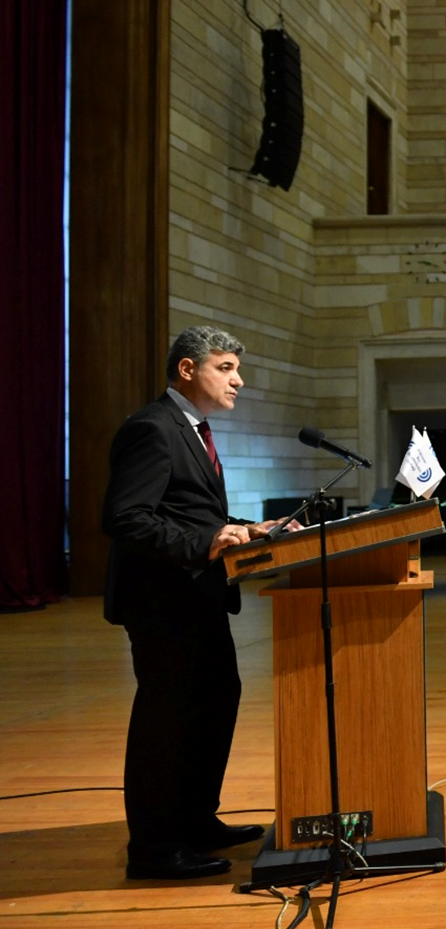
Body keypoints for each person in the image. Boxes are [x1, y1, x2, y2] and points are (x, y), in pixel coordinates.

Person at [103, 326, 289, 881]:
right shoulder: (152, 428)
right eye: (226, 368)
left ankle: (195, 820)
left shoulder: (192, 428)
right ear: (188, 369)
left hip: (198, 597)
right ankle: (155, 848)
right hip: (162, 603)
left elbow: (187, 511)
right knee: (166, 719)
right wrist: (206, 542)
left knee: (215, 702)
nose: (239, 380)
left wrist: (247, 530)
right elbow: (125, 518)